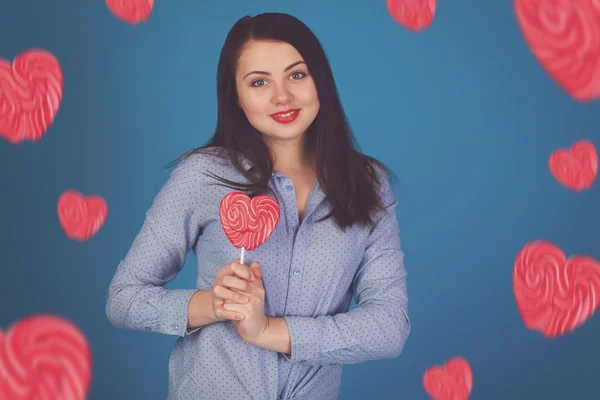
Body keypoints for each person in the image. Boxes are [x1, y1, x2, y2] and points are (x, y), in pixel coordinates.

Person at [106, 12, 410, 400]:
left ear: (322, 79)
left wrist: (268, 331)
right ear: (235, 95)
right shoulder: (203, 175)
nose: (282, 96)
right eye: (259, 82)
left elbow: (389, 327)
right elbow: (123, 299)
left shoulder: (368, 184)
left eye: (297, 75)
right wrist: (214, 305)